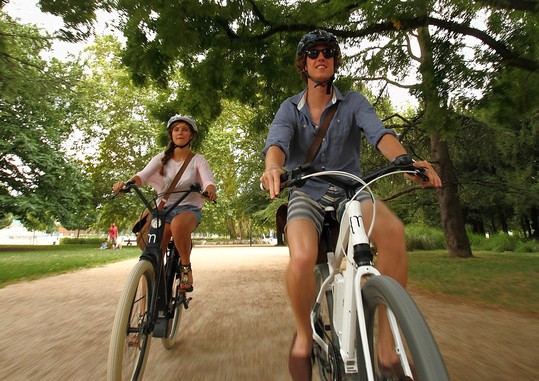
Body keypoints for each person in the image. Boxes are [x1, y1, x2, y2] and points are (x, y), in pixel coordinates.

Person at [260, 30, 442, 380]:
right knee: (300, 257)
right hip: (305, 192)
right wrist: (273, 167)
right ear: (304, 64)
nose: (321, 56)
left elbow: (380, 134)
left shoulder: (354, 102)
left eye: (328, 51)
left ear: (335, 61)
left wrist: (405, 160)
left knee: (392, 232)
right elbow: (276, 144)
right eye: (313, 53)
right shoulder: (289, 108)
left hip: (352, 190)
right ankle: (302, 334)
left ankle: (387, 349)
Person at [113, 114, 217, 292]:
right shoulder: (161, 158)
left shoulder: (198, 160)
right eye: (176, 129)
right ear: (171, 134)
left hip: (189, 209)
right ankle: (148, 308)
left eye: (185, 130)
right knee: (152, 256)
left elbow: (208, 181)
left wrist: (210, 190)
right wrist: (127, 184)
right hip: (163, 210)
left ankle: (185, 267)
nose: (180, 133)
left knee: (177, 226)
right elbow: (143, 176)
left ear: (191, 135)